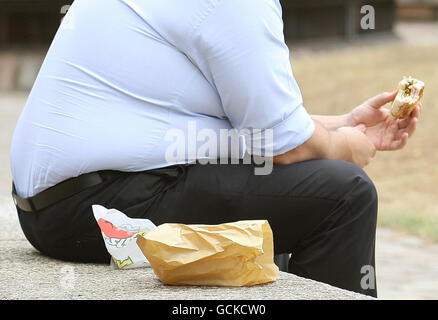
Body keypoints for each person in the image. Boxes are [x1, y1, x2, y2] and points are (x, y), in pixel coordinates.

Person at [10, 0, 420, 298]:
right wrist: (347, 147)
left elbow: (258, 129)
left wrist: (342, 125)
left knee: (289, 186)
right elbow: (281, 146)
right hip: (100, 211)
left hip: (55, 207)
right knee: (344, 192)